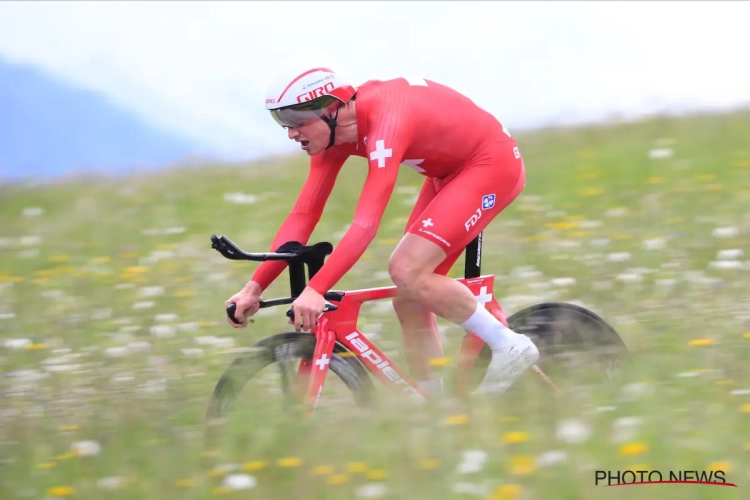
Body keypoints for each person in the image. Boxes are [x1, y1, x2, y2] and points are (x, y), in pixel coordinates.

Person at [225, 66, 539, 396]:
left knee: (406, 269)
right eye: (282, 122)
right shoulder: (331, 138)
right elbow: (303, 216)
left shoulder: (384, 121)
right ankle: (436, 406)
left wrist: (317, 289)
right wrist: (255, 286)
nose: (290, 134)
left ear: (331, 109)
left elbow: (365, 224)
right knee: (410, 298)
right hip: (448, 175)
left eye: (296, 121)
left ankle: (511, 347)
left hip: (490, 163)